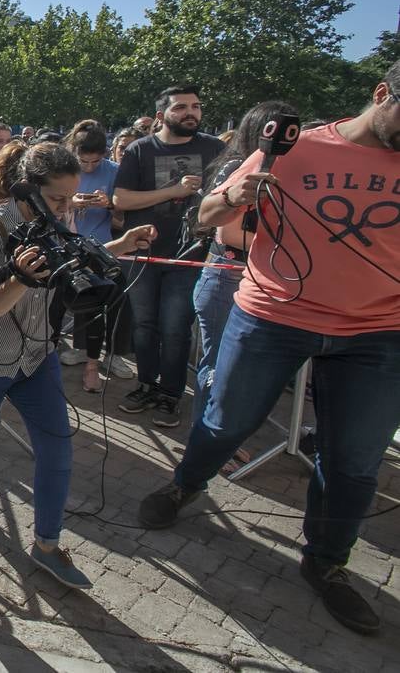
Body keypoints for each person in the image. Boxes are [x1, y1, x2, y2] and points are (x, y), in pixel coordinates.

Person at [139, 63, 400, 637]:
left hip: (379, 333)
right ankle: (186, 484)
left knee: (355, 460)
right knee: (225, 420)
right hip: (274, 317)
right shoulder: (295, 148)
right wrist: (232, 194)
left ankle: (327, 562)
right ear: (382, 95)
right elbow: (206, 218)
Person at [0, 141, 154, 589]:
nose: (67, 208)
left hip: (35, 358)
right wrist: (22, 280)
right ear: (26, 190)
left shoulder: (57, 223)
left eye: (71, 197)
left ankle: (46, 545)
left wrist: (120, 244)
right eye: (59, 198)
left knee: (58, 449)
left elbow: (77, 256)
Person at [189, 101, 295, 462]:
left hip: (256, 281)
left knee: (236, 374)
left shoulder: (284, 170)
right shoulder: (240, 170)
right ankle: (206, 446)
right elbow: (228, 232)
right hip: (226, 279)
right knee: (218, 370)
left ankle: (216, 441)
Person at [113, 85, 225, 428]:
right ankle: (145, 383)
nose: (190, 112)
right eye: (181, 108)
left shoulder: (215, 149)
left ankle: (171, 393)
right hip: (142, 253)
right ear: (162, 116)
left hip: (189, 256)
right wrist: (174, 191)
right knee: (144, 325)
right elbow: (120, 201)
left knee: (176, 327)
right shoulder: (139, 151)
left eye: (196, 106)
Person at [59, 120, 120, 392]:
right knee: (68, 306)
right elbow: (47, 201)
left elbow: (122, 214)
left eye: (96, 162)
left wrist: (110, 204)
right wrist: (71, 202)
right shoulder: (62, 169)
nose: (90, 167)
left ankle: (102, 359)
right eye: (84, 161)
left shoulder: (115, 171)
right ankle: (80, 349)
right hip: (67, 247)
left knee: (103, 303)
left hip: (103, 247)